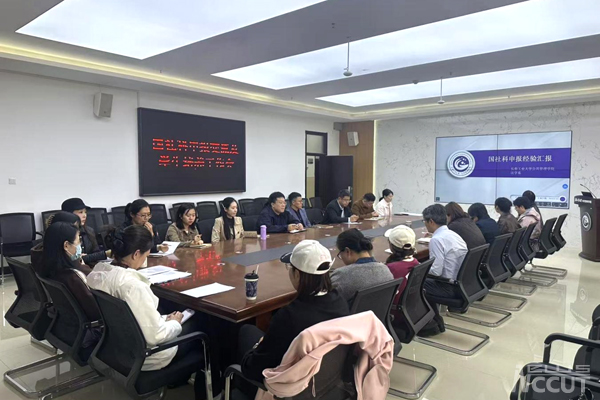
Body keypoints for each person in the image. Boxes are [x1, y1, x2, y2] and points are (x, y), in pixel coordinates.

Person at [87, 225, 208, 400]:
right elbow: (155, 337)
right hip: (147, 355)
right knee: (202, 324)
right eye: (145, 255)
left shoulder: (98, 272)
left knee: (174, 315)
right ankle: (209, 389)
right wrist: (174, 322)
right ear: (136, 254)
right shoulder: (133, 286)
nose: (146, 259)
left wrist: (164, 318)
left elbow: (133, 316)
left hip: (117, 345)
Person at [239, 240, 349, 386]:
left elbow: (255, 368)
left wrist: (256, 348)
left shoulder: (289, 316)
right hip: (328, 381)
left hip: (289, 385)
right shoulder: (340, 301)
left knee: (246, 331)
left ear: (297, 274)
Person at [37, 222, 102, 348]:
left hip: (64, 328)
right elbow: (96, 312)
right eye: (78, 241)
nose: (80, 245)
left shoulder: (48, 269)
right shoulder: (73, 277)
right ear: (66, 245)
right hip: (87, 334)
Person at [422, 204, 468, 335]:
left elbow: (435, 272)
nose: (424, 224)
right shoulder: (454, 235)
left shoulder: (437, 239)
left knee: (413, 283)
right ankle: (434, 319)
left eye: (424, 221)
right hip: (463, 284)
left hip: (448, 287)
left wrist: (418, 270)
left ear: (431, 221)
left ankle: (430, 323)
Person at [330, 229, 393, 307]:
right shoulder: (385, 270)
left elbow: (328, 302)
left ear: (347, 251)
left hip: (351, 315)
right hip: (378, 315)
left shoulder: (342, 275)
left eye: (340, 254)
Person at [62, 198, 110, 265]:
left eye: (85, 212)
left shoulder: (89, 231)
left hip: (90, 266)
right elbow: (69, 260)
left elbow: (96, 252)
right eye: (80, 212)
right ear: (69, 214)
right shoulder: (62, 233)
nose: (84, 215)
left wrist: (88, 257)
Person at [384, 225, 420, 311]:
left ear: (391, 246)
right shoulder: (415, 262)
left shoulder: (392, 268)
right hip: (411, 309)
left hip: (394, 311)